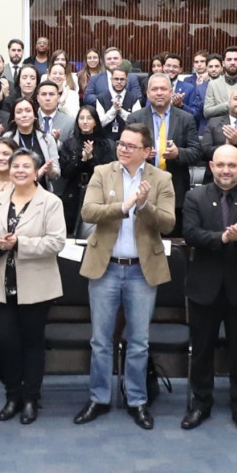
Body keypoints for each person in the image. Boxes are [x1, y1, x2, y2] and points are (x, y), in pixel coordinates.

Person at [74, 123, 176, 430]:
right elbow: (88, 212)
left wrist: (143, 206)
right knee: (101, 340)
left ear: (147, 151)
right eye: (121, 144)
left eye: (131, 146)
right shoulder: (102, 172)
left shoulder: (163, 179)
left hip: (141, 270)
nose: (123, 149)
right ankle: (99, 398)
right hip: (105, 267)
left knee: (139, 342)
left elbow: (169, 223)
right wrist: (123, 206)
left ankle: (137, 400)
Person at [180, 143, 237, 435]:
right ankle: (201, 403)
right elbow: (191, 235)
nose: (226, 171)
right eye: (220, 165)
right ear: (211, 167)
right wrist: (223, 237)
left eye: (232, 165)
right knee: (202, 350)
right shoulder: (195, 196)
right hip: (204, 287)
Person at [0, 147, 65, 426]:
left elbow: (56, 242)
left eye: (25, 166)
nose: (19, 170)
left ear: (36, 171)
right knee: (6, 344)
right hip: (0, 283)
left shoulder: (50, 202)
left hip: (36, 285)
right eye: (15, 165)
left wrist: (20, 244)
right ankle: (12, 395)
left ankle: (31, 397)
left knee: (32, 344)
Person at [125, 72, 200, 234]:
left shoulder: (186, 118)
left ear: (171, 92)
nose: (159, 93)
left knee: (172, 244)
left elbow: (196, 152)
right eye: (155, 89)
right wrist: (141, 156)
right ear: (147, 93)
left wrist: (178, 153)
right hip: (141, 188)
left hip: (175, 189)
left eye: (163, 89)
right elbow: (125, 153)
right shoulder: (134, 119)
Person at [201, 48, 237, 122]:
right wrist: (227, 106)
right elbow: (207, 112)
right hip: (219, 128)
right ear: (223, 63)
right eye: (229, 59)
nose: (232, 62)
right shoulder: (213, 85)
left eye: (236, 59)